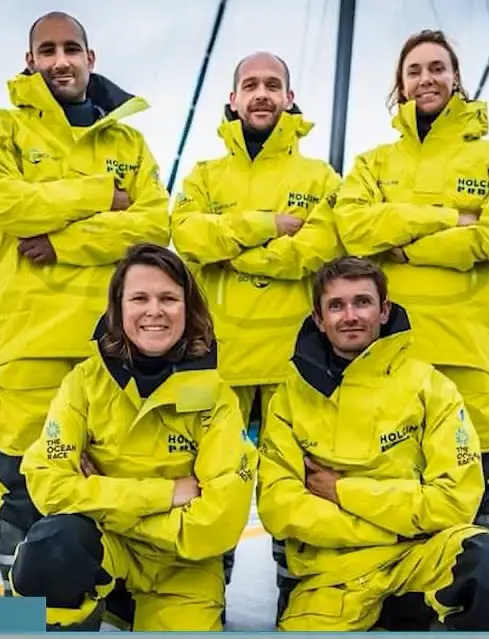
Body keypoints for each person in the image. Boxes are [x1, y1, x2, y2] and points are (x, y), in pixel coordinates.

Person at [249, 257, 489, 639]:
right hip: (333, 579)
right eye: (336, 305)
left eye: (363, 302)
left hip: (420, 562)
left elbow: (456, 500)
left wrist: (343, 491)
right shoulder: (287, 399)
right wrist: (401, 518)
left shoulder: (431, 387)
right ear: (319, 320)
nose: (351, 315)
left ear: (384, 310)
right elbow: (280, 509)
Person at [0, 244, 257, 639]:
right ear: (117, 309)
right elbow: (45, 482)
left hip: (182, 569)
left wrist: (101, 494)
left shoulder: (218, 398)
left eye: (169, 299)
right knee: (54, 547)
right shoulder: (83, 383)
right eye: (139, 299)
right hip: (109, 553)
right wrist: (166, 494)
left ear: (189, 309)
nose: (154, 311)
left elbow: (217, 525)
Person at [0, 11, 170, 614]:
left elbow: (155, 223)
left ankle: (112, 595)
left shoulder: (129, 141)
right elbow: (7, 207)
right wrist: (102, 196)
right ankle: (25, 615)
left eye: (71, 48)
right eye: (47, 50)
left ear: (91, 56)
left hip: (113, 345)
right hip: (29, 343)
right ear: (30, 60)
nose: (60, 60)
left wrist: (61, 242)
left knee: (117, 474)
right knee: (25, 487)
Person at [333, 28, 489, 533]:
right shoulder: (372, 164)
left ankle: (477, 599)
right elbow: (354, 227)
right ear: (400, 85)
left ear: (456, 79)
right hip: (395, 355)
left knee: (475, 506)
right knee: (398, 495)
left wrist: (400, 244)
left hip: (470, 356)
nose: (427, 79)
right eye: (415, 70)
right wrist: (453, 218)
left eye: (437, 68)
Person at [171, 51, 342, 608]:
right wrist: (267, 228)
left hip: (292, 362)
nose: (262, 93)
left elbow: (322, 247)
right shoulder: (202, 176)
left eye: (273, 85)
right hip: (213, 360)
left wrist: (236, 252)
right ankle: (200, 605)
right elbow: (189, 238)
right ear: (233, 98)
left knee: (297, 486)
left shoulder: (319, 178)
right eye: (251, 85)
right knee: (206, 488)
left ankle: (302, 605)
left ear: (289, 97)